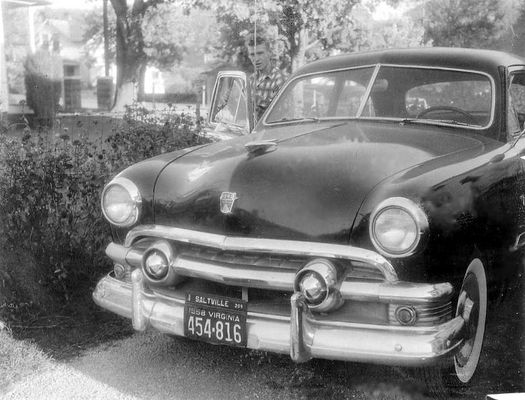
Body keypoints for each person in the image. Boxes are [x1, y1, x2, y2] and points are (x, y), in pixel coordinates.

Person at [245, 32, 287, 121]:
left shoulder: (279, 79)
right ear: (249, 56)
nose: (256, 59)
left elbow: (279, 113)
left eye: (260, 53)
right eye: (252, 54)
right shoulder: (251, 79)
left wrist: (260, 102)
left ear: (269, 53)